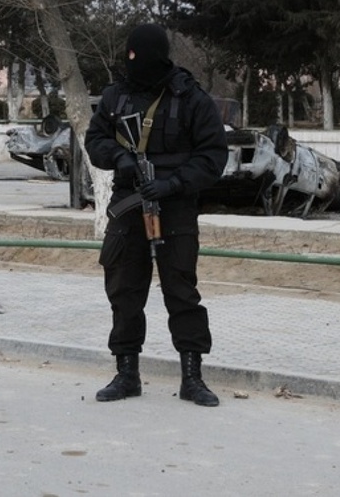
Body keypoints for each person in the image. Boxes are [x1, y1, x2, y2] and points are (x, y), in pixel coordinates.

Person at [84, 23, 228, 407]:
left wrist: (173, 183)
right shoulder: (116, 96)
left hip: (175, 207)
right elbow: (95, 139)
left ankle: (192, 378)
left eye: (137, 55)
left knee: (181, 292)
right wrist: (118, 158)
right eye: (129, 55)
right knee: (124, 290)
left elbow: (214, 157)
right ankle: (126, 374)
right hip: (129, 204)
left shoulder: (190, 98)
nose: (132, 62)